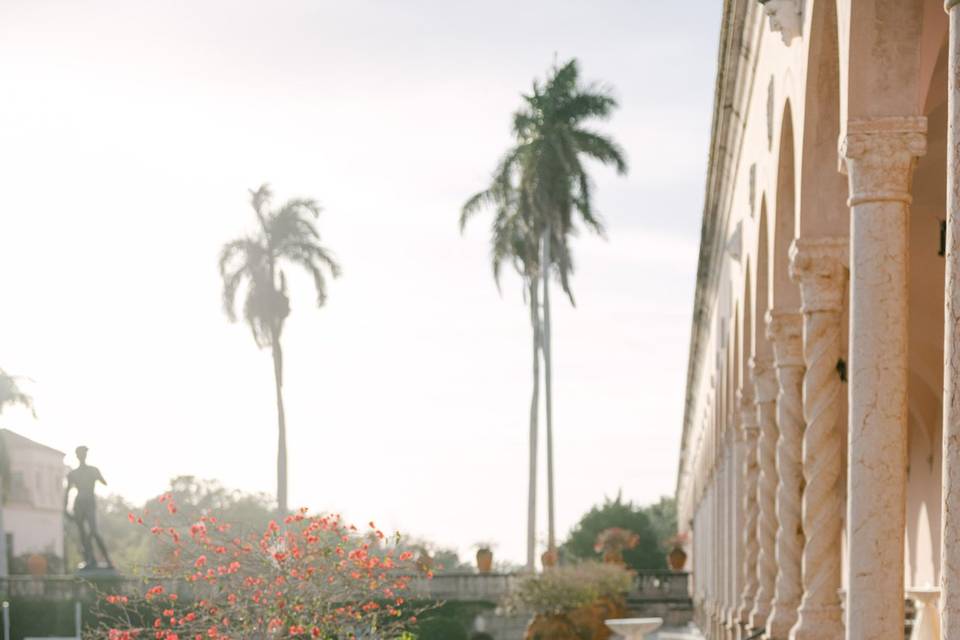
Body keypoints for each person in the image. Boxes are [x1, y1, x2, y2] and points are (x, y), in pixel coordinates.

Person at [64, 445, 113, 570]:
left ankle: (107, 560)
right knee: (83, 534)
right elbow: (67, 492)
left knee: (94, 532)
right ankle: (90, 560)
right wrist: (65, 508)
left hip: (88, 502)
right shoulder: (74, 473)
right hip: (80, 504)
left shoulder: (91, 470)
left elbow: (104, 482)